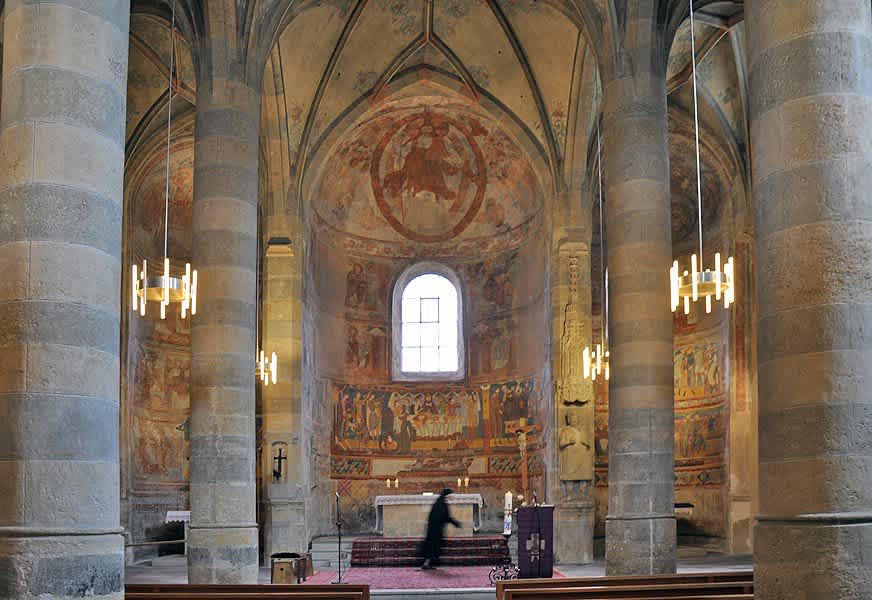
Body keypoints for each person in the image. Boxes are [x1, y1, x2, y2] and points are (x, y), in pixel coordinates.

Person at [419, 488, 461, 569]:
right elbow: (446, 517)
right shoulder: (441, 503)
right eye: (451, 496)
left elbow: (444, 517)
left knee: (433, 546)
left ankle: (428, 563)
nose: (452, 497)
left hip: (435, 528)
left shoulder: (440, 502)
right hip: (435, 529)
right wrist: (455, 523)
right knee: (432, 546)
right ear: (447, 496)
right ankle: (426, 563)